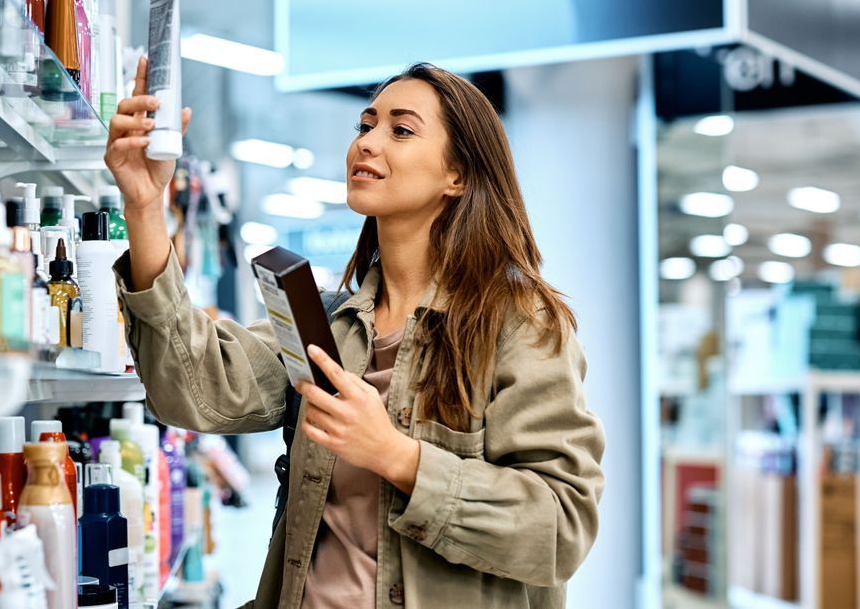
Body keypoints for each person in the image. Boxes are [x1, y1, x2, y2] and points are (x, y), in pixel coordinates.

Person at [105, 58, 605, 609]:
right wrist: (146, 207)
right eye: (365, 126)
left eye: (401, 129)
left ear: (457, 176)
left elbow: (560, 529)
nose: (367, 142)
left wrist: (396, 455)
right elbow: (196, 391)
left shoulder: (519, 325)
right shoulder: (328, 324)